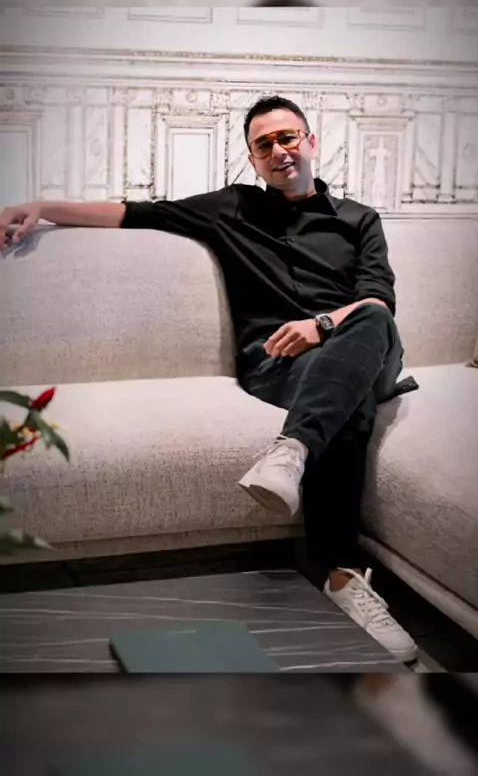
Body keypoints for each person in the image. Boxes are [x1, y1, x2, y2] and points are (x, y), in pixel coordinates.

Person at [0, 95, 417, 662]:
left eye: (288, 137)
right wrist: (39, 206)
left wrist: (320, 325)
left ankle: (292, 450)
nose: (279, 150)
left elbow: (379, 302)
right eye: (264, 144)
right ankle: (343, 576)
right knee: (347, 403)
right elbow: (135, 213)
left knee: (369, 317)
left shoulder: (359, 219)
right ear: (253, 158)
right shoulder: (230, 209)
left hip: (363, 344)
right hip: (279, 365)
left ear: (311, 142)